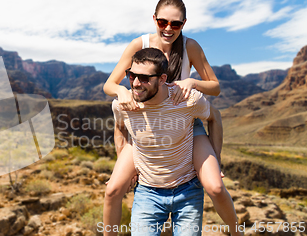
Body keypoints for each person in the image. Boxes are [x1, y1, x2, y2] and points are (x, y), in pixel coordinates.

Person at [102, 0, 241, 235]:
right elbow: (109, 84)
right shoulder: (140, 45)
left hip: (184, 120)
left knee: (214, 185)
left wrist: (193, 82)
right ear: (154, 19)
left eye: (175, 23)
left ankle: (237, 230)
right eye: (162, 21)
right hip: (145, 123)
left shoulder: (190, 47)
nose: (168, 28)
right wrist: (122, 91)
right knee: (114, 189)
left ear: (183, 23)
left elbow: (215, 88)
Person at [110, 48, 219, 235]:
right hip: (147, 193)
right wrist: (124, 165)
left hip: (188, 190)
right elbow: (119, 126)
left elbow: (214, 115)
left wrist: (216, 160)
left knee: (217, 188)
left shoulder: (188, 100)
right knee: (111, 191)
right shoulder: (123, 104)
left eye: (144, 78)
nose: (136, 83)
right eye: (131, 76)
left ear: (162, 79)